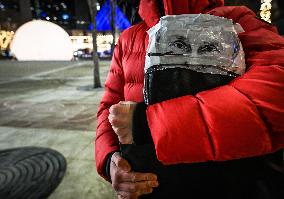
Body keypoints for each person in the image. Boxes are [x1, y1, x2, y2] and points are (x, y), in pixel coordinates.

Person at [95, 0, 284, 198]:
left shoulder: (237, 20)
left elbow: (276, 89)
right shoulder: (129, 38)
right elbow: (109, 105)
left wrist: (149, 124)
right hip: (151, 187)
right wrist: (110, 160)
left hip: (229, 184)